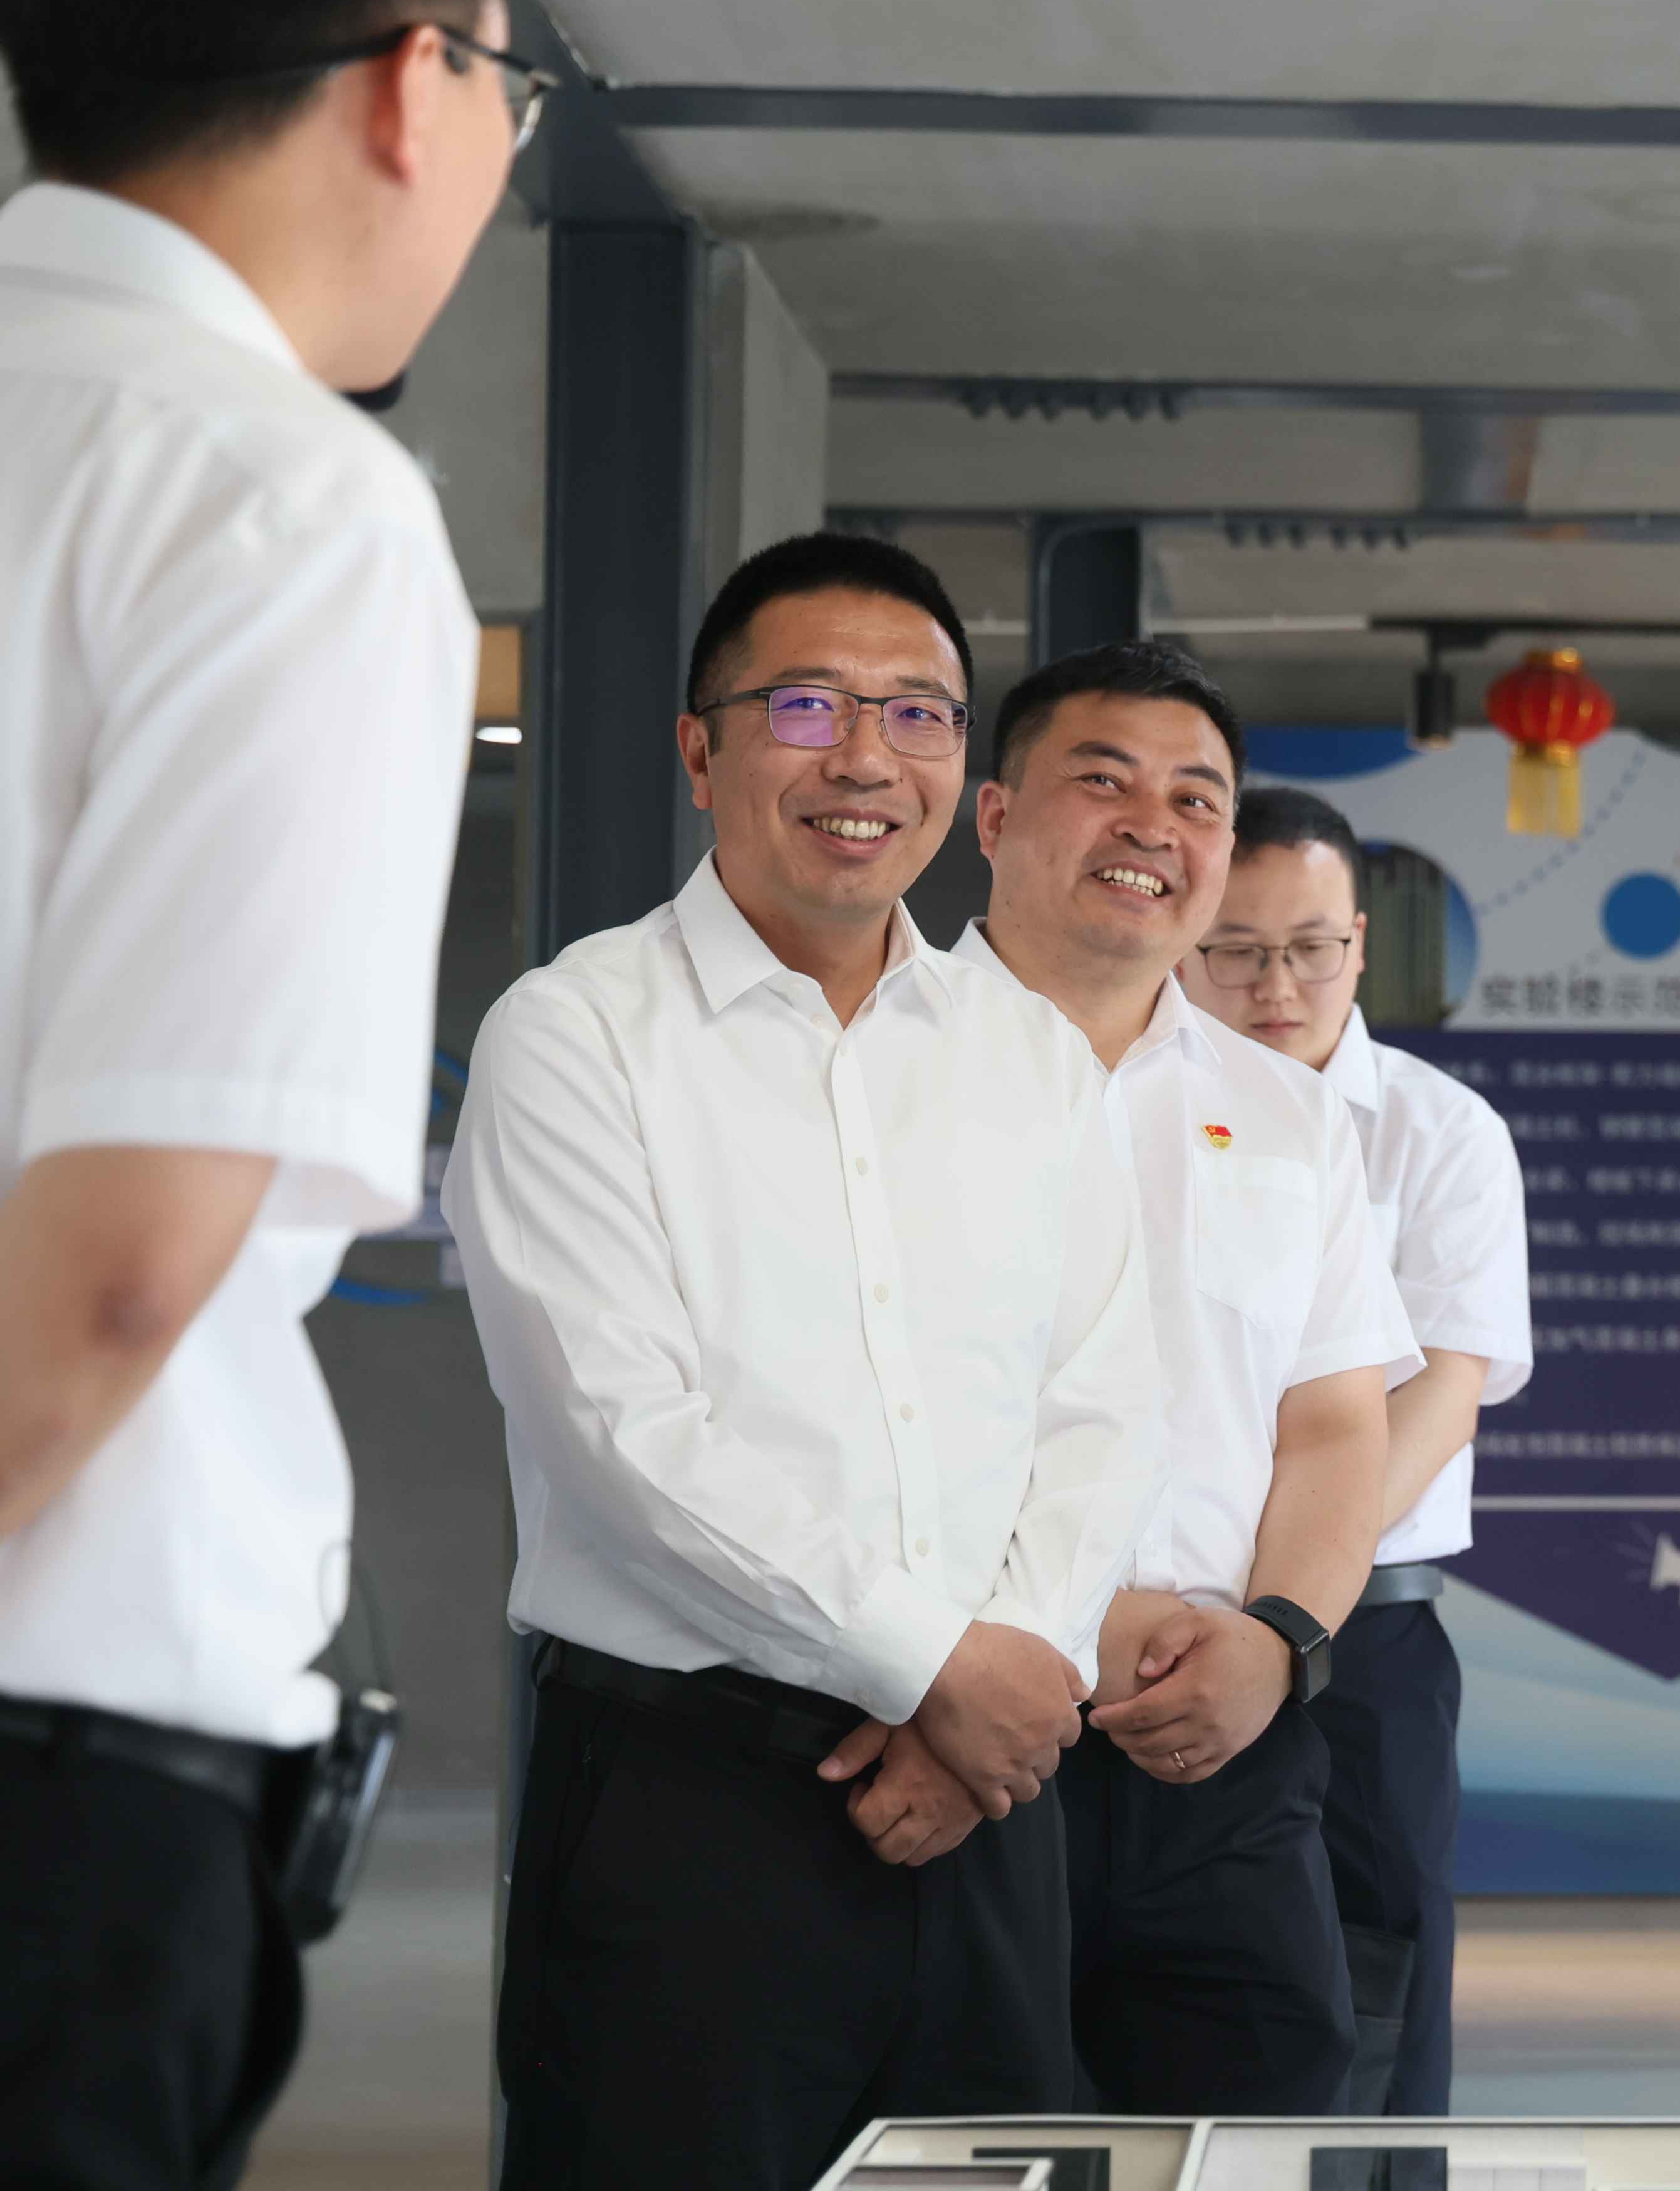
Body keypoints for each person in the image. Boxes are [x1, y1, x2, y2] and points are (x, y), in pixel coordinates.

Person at [0, 0, 518, 2185]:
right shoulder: (276, 499)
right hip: (55, 1768)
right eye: (519, 82)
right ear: (418, 83)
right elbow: (115, 1270)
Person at [447, 536, 1166, 2191]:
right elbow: (622, 1431)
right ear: (699, 750)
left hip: (988, 1803)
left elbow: (1104, 1399)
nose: (863, 758)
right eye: (805, 706)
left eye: (917, 713)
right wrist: (932, 1664)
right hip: (689, 1803)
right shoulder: (579, 1033)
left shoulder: (1026, 1055)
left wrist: (1010, 1674)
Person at [958, 645, 1419, 2115]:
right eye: (1104, 779)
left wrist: (1278, 1640)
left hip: (1223, 1746)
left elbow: (1335, 1426)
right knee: (962, 2136)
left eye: (1195, 797)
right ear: (992, 814)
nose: (1152, 825)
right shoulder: (874, 1074)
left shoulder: (1289, 1116)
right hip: (947, 1731)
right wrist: (1054, 1624)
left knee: (1257, 2122)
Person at [1185, 783, 1533, 2116]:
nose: (1278, 986)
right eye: (1237, 949)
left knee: (1380, 1973)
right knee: (1187, 1982)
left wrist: (1283, 1602)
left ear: (1360, 944)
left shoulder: (1443, 1134)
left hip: (1362, 1635)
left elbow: (1445, 1391)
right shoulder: (1130, 1110)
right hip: (1154, 1629)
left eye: (1311, 947)